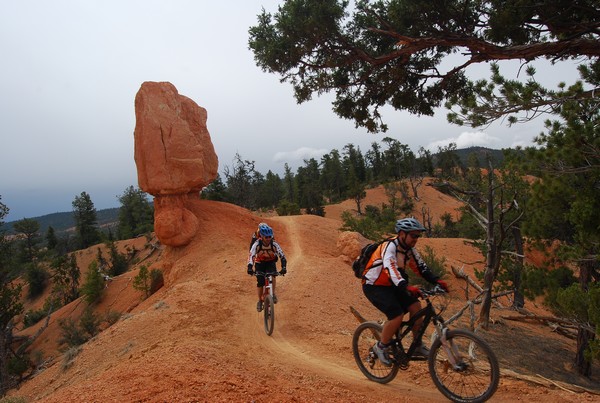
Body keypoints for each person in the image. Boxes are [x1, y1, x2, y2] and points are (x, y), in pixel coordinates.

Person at [361, 217, 449, 366]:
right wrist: (406, 286)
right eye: (413, 235)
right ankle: (380, 346)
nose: (416, 239)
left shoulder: (409, 250)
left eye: (418, 236)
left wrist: (436, 280)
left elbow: (421, 267)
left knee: (415, 307)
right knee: (396, 315)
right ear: (402, 234)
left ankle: (417, 345)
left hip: (393, 284)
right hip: (374, 285)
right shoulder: (389, 246)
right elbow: (390, 268)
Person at [247, 223, 287, 312]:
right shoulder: (257, 243)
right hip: (259, 262)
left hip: (270, 262)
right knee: (260, 281)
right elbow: (251, 255)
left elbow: (282, 255)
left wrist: (284, 267)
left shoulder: (274, 243)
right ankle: (260, 301)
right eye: (266, 237)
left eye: (270, 237)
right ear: (261, 236)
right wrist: (250, 267)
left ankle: (273, 293)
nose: (268, 239)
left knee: (273, 275)